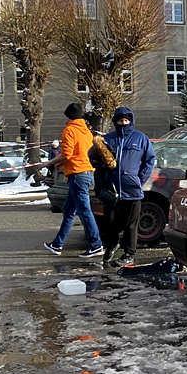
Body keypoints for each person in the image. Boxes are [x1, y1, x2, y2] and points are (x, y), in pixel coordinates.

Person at [41, 103, 104, 258]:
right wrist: (63, 164)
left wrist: (51, 162)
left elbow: (67, 154)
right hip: (87, 172)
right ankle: (57, 244)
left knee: (84, 211)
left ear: (68, 116)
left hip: (77, 175)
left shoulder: (69, 130)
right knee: (69, 211)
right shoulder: (87, 131)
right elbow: (80, 153)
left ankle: (96, 245)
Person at [99, 107, 155, 268]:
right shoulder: (108, 139)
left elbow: (149, 161)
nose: (123, 123)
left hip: (132, 190)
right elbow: (94, 158)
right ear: (115, 121)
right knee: (109, 222)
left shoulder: (141, 138)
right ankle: (112, 245)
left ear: (130, 120)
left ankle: (129, 253)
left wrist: (139, 180)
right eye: (120, 120)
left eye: (126, 120)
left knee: (131, 224)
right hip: (112, 190)